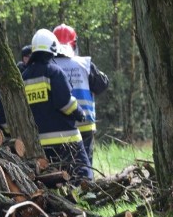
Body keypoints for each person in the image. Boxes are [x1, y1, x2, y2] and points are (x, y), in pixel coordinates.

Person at [21, 29, 92, 180]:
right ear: (53, 49)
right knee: (82, 176)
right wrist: (80, 113)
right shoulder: (54, 71)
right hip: (66, 138)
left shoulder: (24, 76)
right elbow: (64, 102)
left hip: (39, 141)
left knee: (53, 179)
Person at [52, 23, 109, 165]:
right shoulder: (84, 64)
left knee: (61, 167)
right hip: (84, 125)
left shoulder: (49, 65)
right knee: (85, 167)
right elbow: (102, 84)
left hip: (58, 126)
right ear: (74, 44)